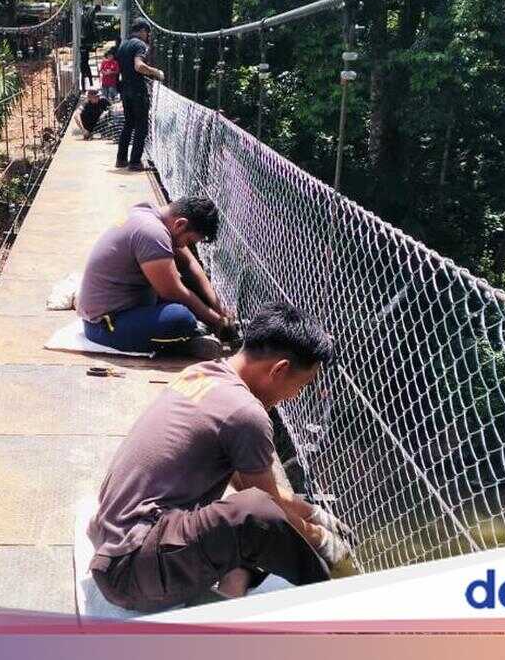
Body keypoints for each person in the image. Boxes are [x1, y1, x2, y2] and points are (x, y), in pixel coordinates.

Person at [87, 302, 353, 613]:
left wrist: (311, 511)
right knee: (257, 518)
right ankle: (336, 601)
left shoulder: (201, 373)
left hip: (117, 543)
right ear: (279, 370)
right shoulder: (246, 414)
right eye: (302, 385)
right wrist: (321, 539)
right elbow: (265, 506)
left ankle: (230, 592)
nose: (295, 395)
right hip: (131, 571)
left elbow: (246, 483)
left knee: (249, 520)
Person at [76, 196, 230, 357]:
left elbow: (190, 265)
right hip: (106, 325)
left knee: (195, 291)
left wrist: (218, 308)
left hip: (127, 308)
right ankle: (182, 345)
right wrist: (216, 321)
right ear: (180, 224)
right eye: (189, 240)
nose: (185, 246)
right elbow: (173, 292)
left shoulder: (149, 213)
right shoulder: (152, 232)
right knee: (181, 320)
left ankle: (183, 337)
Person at [115, 20, 165, 171]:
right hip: (137, 90)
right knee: (141, 126)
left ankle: (121, 159)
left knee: (128, 123)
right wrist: (156, 73)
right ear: (143, 30)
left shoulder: (123, 45)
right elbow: (139, 66)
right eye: (147, 33)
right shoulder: (140, 45)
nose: (148, 36)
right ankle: (135, 162)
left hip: (125, 89)